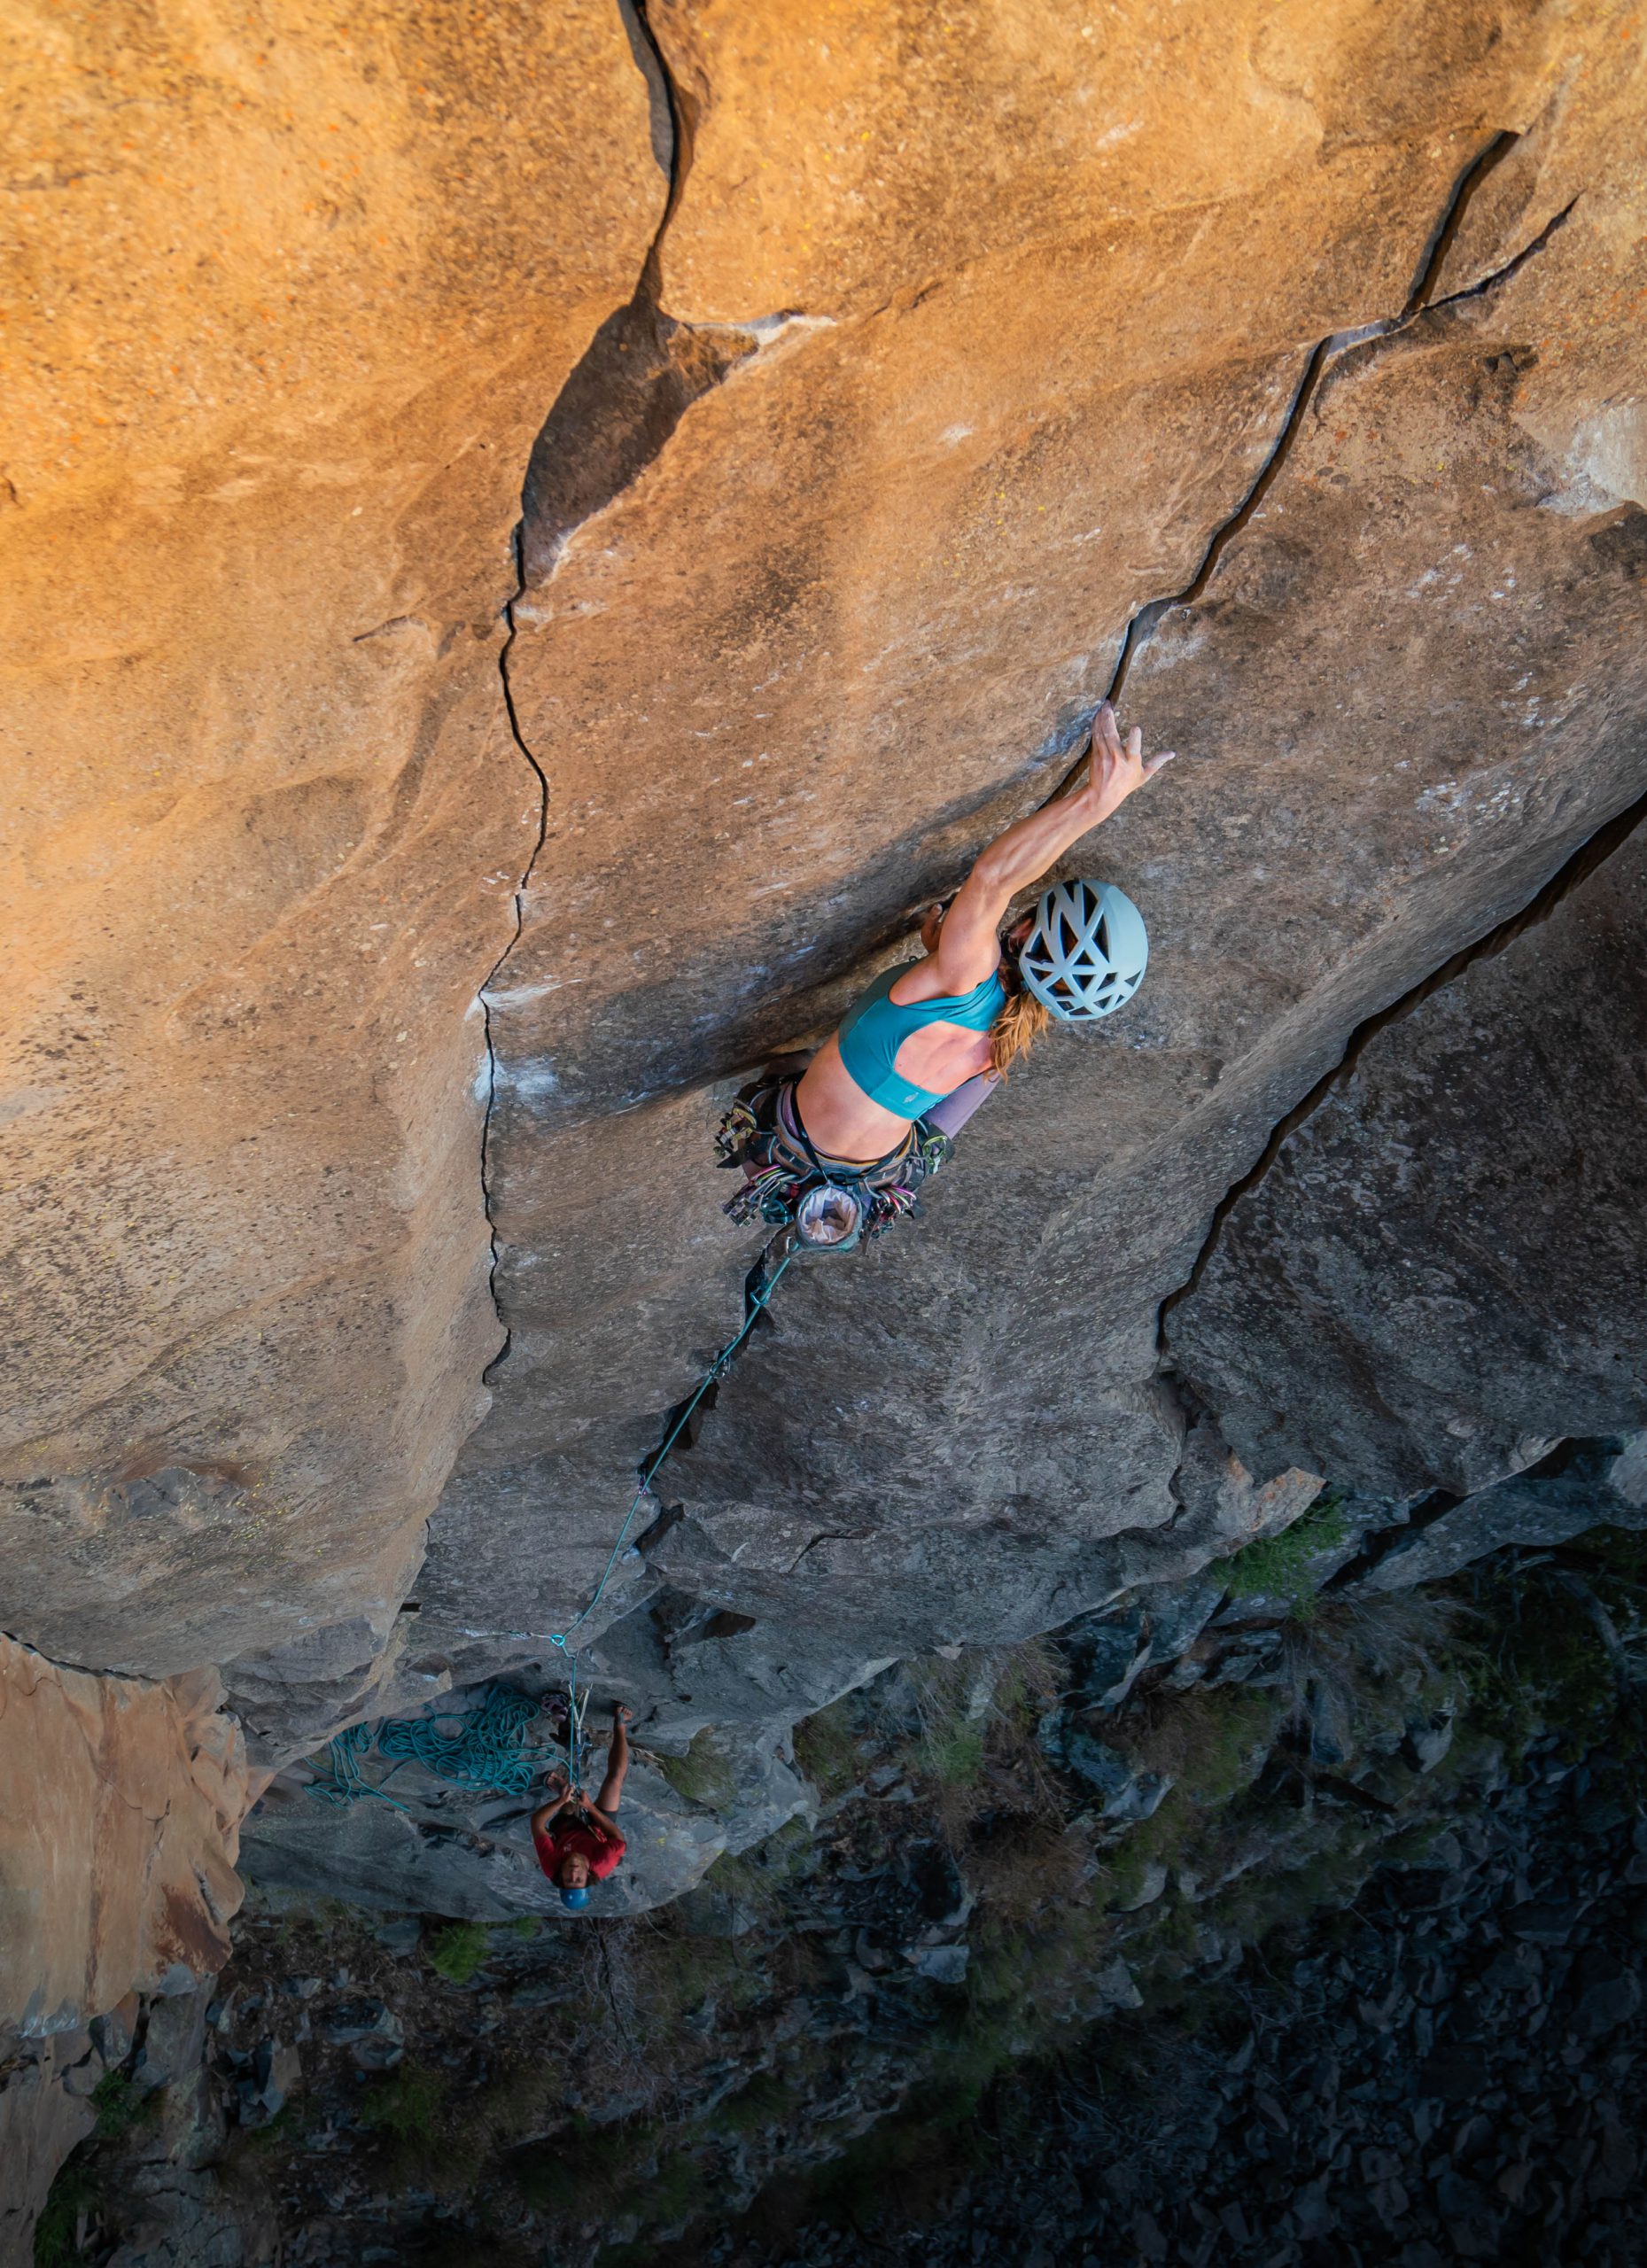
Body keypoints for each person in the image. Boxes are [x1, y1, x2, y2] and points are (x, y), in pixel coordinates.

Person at [717, 701, 1176, 1242]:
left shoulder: (967, 971)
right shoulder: (999, 1023)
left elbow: (993, 877)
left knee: (777, 1071)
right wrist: (940, 959)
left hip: (782, 1147)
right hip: (867, 1181)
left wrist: (1097, 802)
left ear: (1025, 931)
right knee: (989, 1069)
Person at [531, 1700, 633, 1911]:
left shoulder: (552, 1867)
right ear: (588, 1878)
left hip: (565, 1827)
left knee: (567, 1807)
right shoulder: (602, 1864)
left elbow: (537, 1823)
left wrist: (560, 1801)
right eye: (578, 1880)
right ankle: (620, 1726)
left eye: (569, 1879)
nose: (573, 1873)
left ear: (561, 1877)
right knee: (614, 1781)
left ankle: (564, 1795)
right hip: (597, 1830)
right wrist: (591, 1809)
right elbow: (617, 1839)